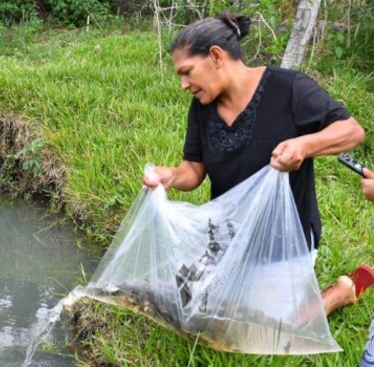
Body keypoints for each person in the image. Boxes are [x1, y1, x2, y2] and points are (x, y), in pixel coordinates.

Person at [142, 11, 374, 316]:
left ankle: (340, 292)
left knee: (272, 324)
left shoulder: (289, 89)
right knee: (191, 304)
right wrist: (169, 176)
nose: (184, 84)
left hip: (282, 243)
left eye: (187, 72)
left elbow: (352, 131)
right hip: (228, 237)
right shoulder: (202, 107)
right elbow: (193, 170)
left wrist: (304, 145)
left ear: (215, 56)